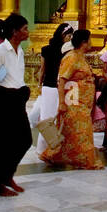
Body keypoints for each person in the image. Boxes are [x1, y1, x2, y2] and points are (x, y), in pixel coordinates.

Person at [0, 12, 32, 196]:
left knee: (25, 140)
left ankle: (7, 174)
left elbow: (12, 74)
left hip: (17, 99)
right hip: (3, 99)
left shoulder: (20, 52)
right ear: (14, 31)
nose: (28, 32)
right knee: (3, 143)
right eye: (25, 29)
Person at [40, 29, 104, 169]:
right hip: (73, 103)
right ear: (83, 42)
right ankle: (85, 160)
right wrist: (62, 102)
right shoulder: (72, 57)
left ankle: (64, 157)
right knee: (81, 132)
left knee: (75, 133)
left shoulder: (80, 57)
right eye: (90, 40)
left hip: (82, 103)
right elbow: (62, 80)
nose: (91, 43)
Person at [34, 22, 73, 155]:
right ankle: (42, 148)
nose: (70, 38)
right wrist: (39, 85)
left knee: (61, 118)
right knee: (47, 118)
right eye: (68, 35)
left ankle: (57, 148)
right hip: (49, 86)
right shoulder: (47, 49)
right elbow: (42, 69)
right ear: (62, 35)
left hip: (62, 87)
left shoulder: (68, 51)